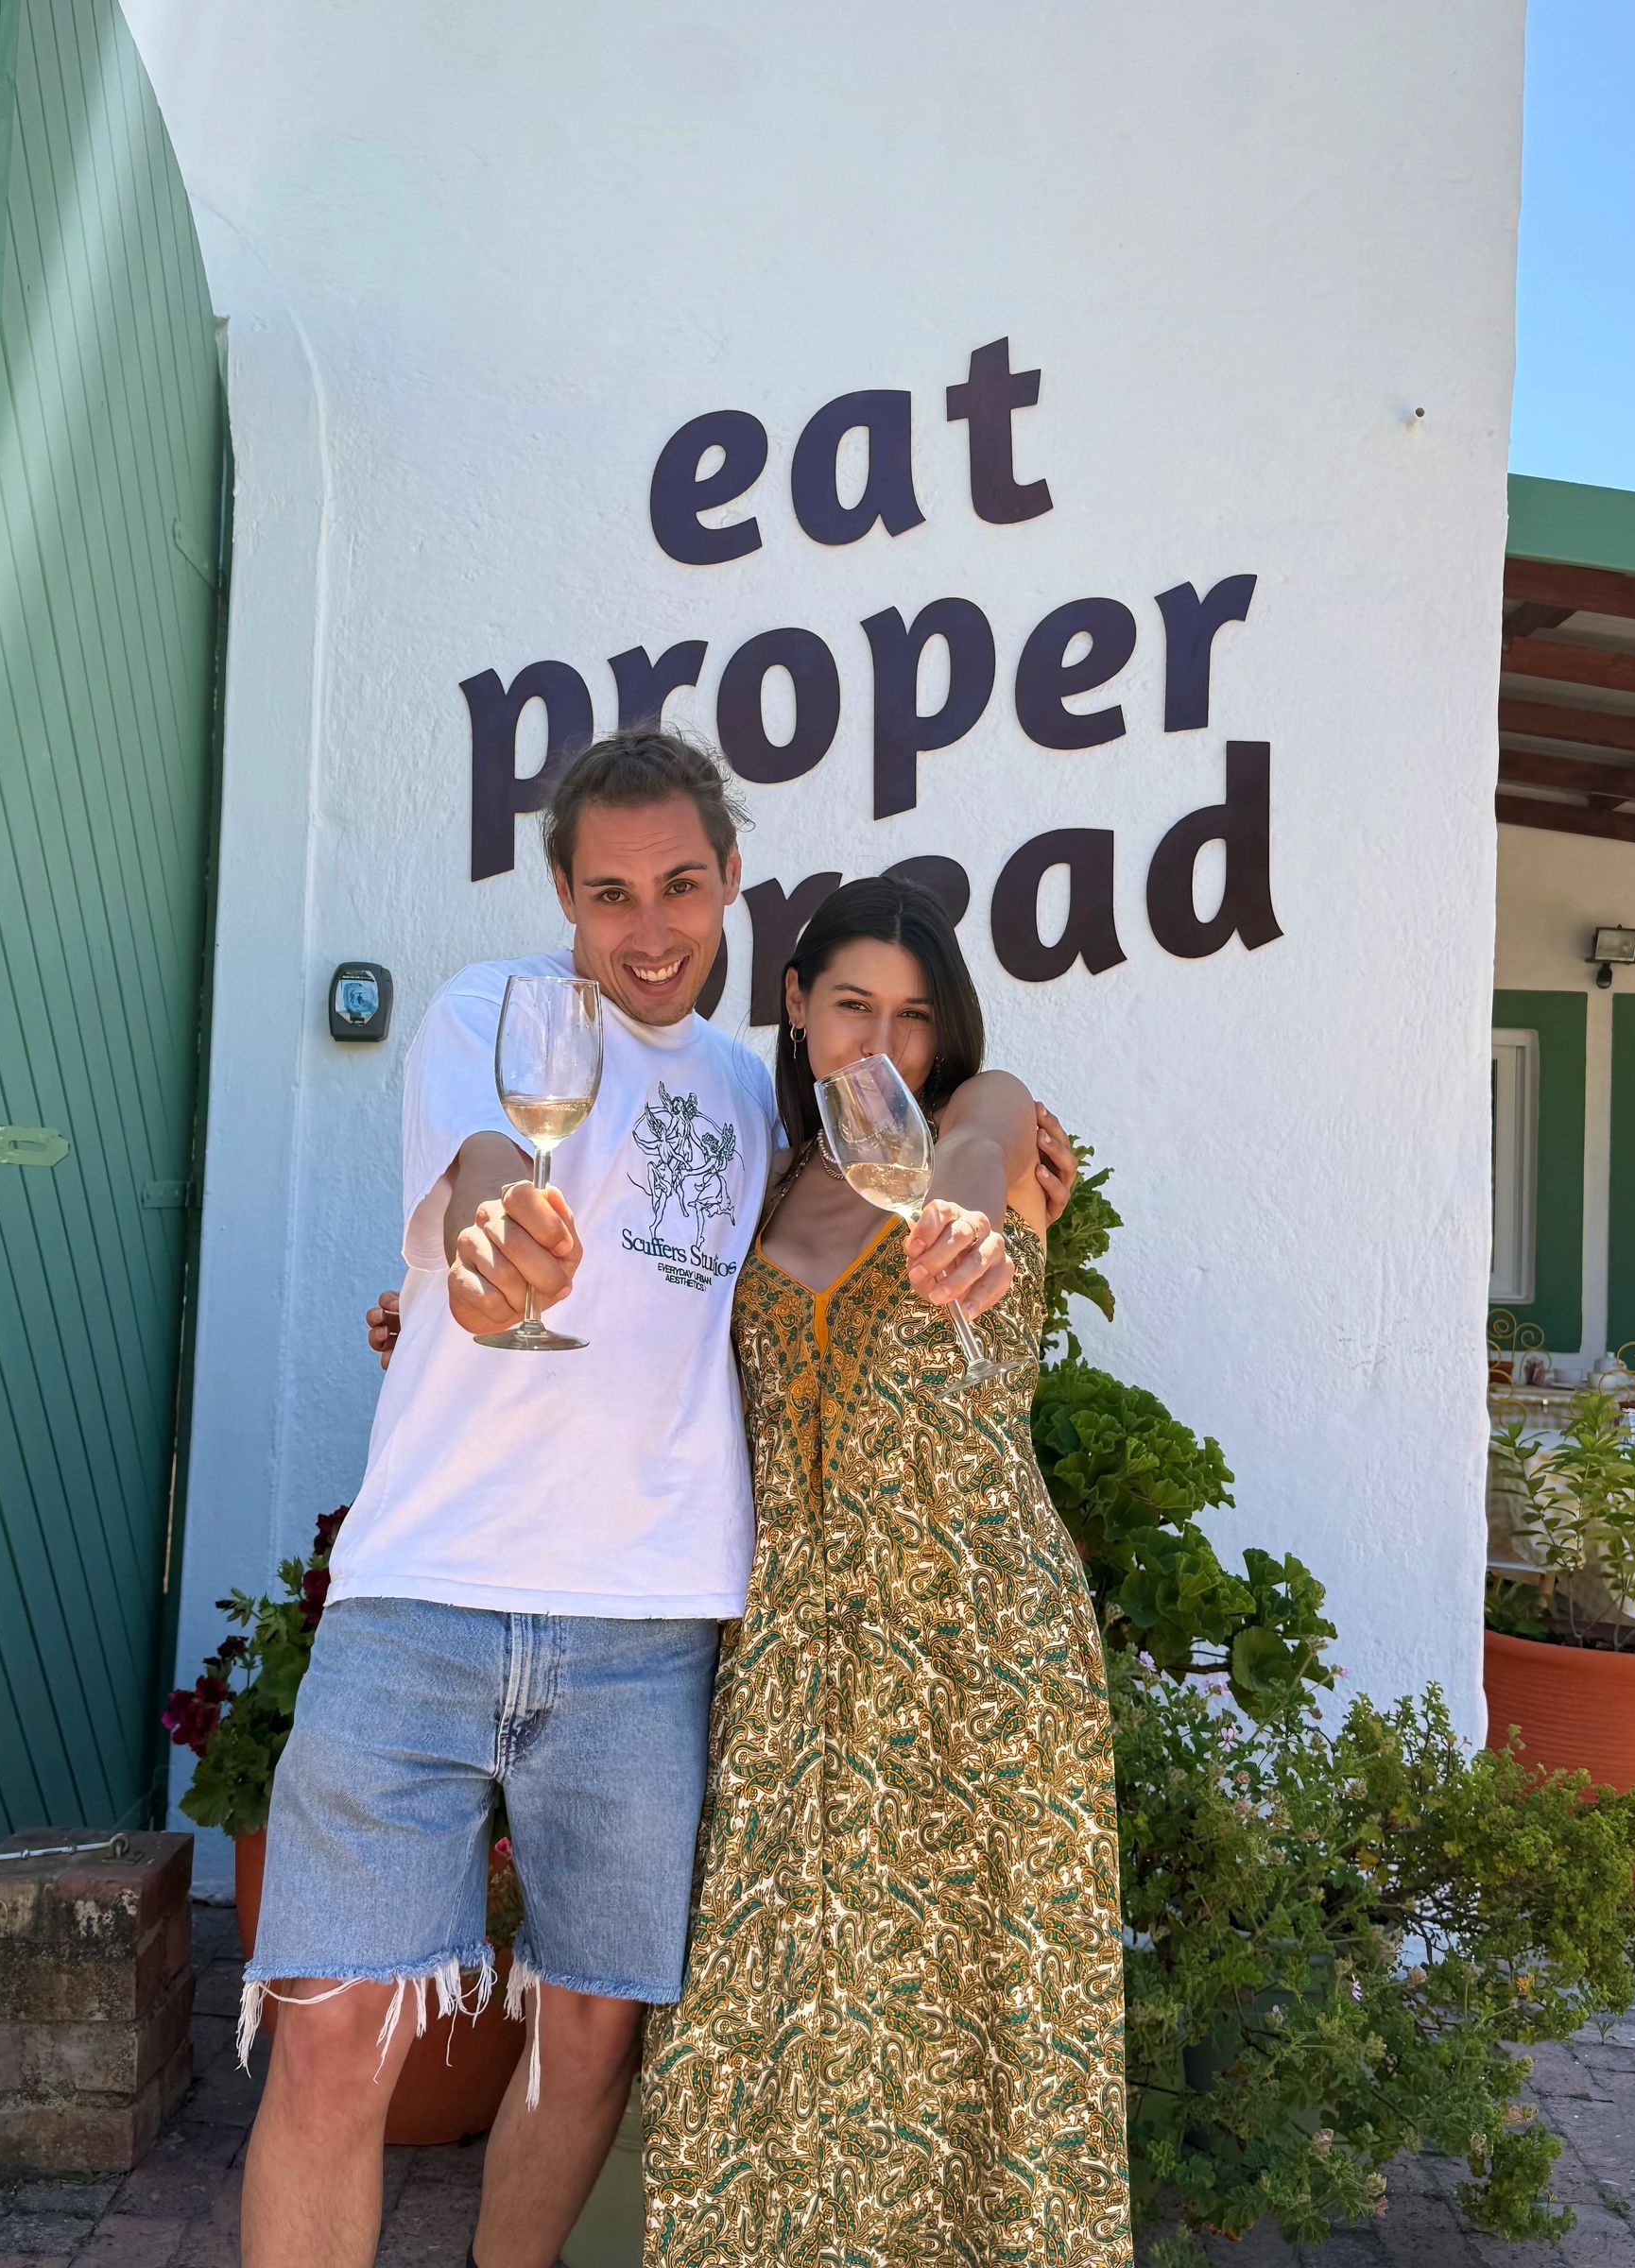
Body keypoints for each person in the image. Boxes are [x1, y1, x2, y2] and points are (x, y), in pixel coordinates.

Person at [240, 726, 1078, 2268]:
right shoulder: (493, 1013)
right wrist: (477, 1246)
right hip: (423, 1598)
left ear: (733, 882)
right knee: (331, 2028)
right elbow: (483, 1160)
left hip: (648, 1631)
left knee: (588, 2044)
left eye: (681, 886)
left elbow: (971, 1109)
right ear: (563, 894)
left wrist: (990, 1151)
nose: (650, 929)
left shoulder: (765, 1110)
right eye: (611, 893)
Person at [639, 877, 1130, 2265]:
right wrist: (441, 1321)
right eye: (852, 1004)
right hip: (789, 1660)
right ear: (796, 1008)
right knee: (764, 2030)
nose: (883, 1041)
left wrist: (965, 1204)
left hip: (976, 1648)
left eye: (915, 1017)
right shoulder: (761, 1179)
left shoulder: (989, 1132)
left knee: (978, 2041)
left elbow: (983, 1127)